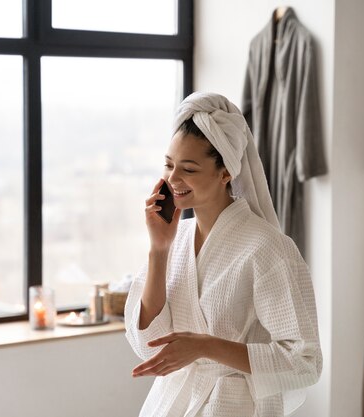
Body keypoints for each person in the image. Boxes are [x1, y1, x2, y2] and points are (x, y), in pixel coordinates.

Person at [125, 92, 322, 417]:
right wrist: (158, 250)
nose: (173, 179)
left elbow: (305, 362)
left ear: (226, 172)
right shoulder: (175, 239)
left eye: (188, 169)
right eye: (169, 164)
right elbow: (150, 342)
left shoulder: (267, 248)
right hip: (174, 403)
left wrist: (205, 346)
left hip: (235, 407)